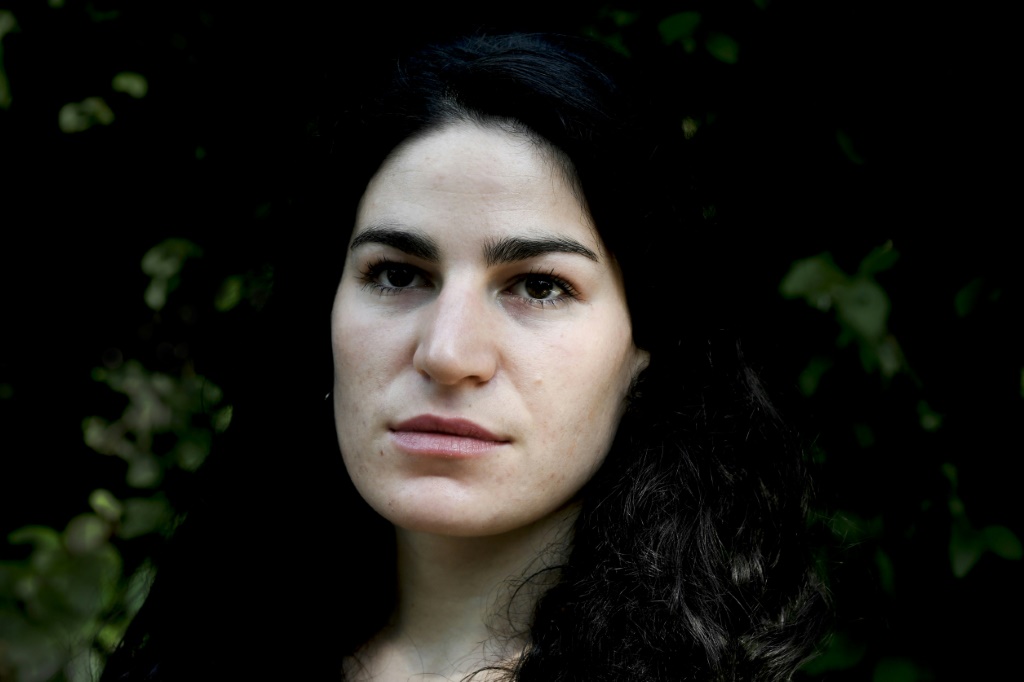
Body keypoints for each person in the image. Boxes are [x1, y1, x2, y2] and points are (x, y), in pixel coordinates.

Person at [104, 32, 829, 681]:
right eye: (397, 275)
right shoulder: (200, 654)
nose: (448, 353)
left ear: (648, 345)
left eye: (539, 286)